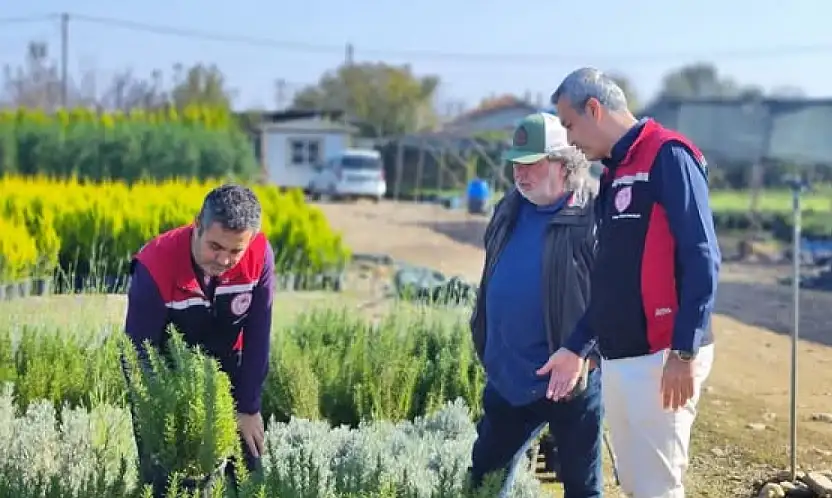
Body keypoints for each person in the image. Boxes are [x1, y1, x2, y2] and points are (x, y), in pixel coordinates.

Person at [540, 67, 721, 498]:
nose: (568, 140)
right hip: (622, 355)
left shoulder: (668, 156)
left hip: (662, 356)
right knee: (637, 484)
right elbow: (612, 276)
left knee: (657, 487)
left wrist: (683, 350)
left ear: (595, 109)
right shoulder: (614, 172)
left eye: (569, 124)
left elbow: (702, 256)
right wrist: (577, 346)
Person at [468, 111, 603, 498]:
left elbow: (614, 294)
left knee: (581, 488)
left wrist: (587, 355)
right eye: (516, 164)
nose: (519, 173)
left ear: (564, 164)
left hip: (568, 381)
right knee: (484, 481)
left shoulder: (591, 214)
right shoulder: (508, 208)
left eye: (531, 163)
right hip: (509, 376)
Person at [122, 183, 275, 489]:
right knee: (173, 482)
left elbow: (259, 334)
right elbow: (138, 355)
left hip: (228, 374)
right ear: (197, 226)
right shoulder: (155, 264)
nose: (223, 260)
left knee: (248, 478)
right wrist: (169, 419)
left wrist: (248, 407)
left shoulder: (259, 256)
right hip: (166, 380)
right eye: (215, 247)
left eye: (235, 251)